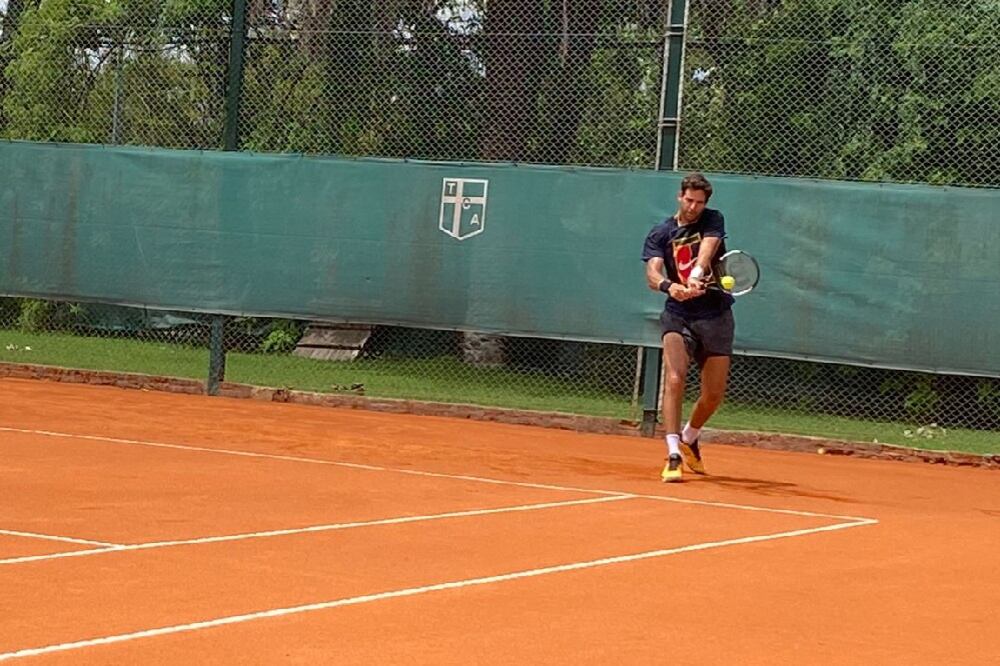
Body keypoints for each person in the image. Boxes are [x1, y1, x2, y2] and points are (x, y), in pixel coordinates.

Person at [641, 172, 734, 482]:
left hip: (716, 315)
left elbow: (708, 248)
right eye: (689, 200)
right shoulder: (660, 232)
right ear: (680, 197)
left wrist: (695, 274)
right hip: (677, 314)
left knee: (714, 394)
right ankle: (673, 454)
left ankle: (689, 436)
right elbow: (652, 274)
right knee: (675, 378)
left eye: (699, 202)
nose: (694, 207)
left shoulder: (713, 219)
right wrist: (671, 287)